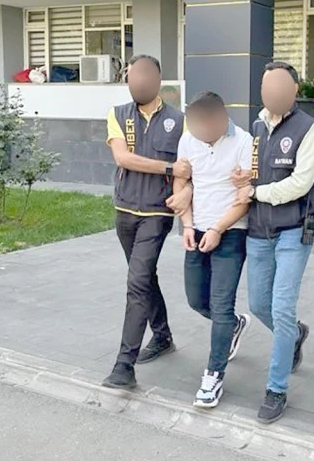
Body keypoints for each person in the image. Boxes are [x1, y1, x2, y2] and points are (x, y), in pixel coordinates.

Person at [233, 61, 314, 424]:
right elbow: (252, 171)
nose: (271, 93)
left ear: (294, 90)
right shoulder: (256, 126)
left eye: (279, 87)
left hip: (294, 229)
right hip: (259, 229)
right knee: (259, 304)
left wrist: (256, 192)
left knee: (282, 307)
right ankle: (295, 335)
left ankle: (276, 389)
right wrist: (242, 178)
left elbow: (301, 183)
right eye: (266, 87)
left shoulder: (309, 129)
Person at [102, 54, 192, 389]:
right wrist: (168, 168)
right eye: (131, 76)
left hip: (157, 212)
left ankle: (124, 365)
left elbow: (189, 166)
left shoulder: (180, 122)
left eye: (143, 75)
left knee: (137, 281)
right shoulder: (117, 114)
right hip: (125, 211)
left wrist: (186, 193)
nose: (137, 81)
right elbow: (122, 157)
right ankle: (163, 335)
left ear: (157, 79)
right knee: (144, 277)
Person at [174, 91, 253, 408]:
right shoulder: (188, 139)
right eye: (195, 126)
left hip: (231, 232)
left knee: (220, 304)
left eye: (206, 126)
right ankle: (233, 325)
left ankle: (213, 376)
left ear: (222, 118)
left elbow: (244, 198)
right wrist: (187, 225)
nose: (200, 132)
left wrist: (219, 229)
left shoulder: (243, 142)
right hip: (196, 229)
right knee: (196, 300)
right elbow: (182, 182)